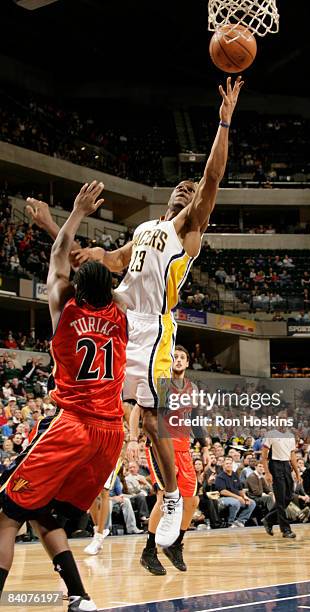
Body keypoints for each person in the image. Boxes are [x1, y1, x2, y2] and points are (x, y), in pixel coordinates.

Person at [27, 76, 244, 548]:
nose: (188, 189)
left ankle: (169, 496)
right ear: (167, 198)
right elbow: (96, 264)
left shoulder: (189, 232)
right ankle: (70, 494)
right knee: (96, 407)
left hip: (156, 327)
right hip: (122, 315)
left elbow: (212, 177)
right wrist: (51, 225)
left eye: (193, 191)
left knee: (152, 418)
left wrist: (224, 121)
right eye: (181, 187)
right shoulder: (146, 228)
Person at [0, 182, 128, 611]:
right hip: (110, 435)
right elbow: (75, 264)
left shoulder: (66, 310)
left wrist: (71, 215)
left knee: (5, 515)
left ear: (77, 288)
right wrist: (54, 225)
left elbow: (59, 260)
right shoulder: (122, 314)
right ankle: (78, 596)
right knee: (42, 513)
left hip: (72, 425)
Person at [140, 345, 210, 575]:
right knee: (165, 498)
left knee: (192, 501)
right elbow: (137, 411)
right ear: (170, 361)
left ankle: (175, 544)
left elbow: (197, 420)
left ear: (188, 363)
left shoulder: (193, 388)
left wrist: (205, 447)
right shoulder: (160, 384)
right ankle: (149, 551)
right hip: (162, 448)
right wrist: (132, 438)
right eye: (175, 357)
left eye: (183, 357)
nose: (179, 360)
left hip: (184, 449)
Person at [261, 422, 301, 538]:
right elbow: (264, 456)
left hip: (286, 466)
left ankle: (268, 519)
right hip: (275, 465)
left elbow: (293, 456)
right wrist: (267, 473)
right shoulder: (271, 434)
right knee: (280, 500)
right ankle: (285, 530)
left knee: (288, 497)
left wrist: (297, 473)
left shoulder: (290, 436)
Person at [215, 457, 256, 527]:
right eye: (227, 464)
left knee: (252, 503)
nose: (229, 465)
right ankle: (230, 523)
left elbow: (240, 489)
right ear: (223, 466)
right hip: (223, 499)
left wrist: (245, 497)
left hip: (237, 498)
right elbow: (223, 491)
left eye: (230, 463)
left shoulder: (235, 475)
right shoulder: (220, 477)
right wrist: (238, 498)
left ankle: (240, 521)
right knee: (235, 502)